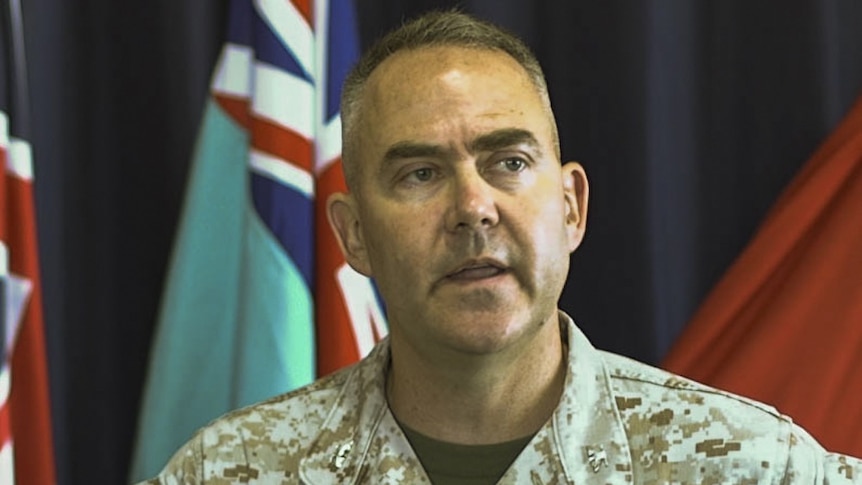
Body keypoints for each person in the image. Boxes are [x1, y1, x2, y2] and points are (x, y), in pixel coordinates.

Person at [140, 10, 862, 484]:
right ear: (353, 234)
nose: (472, 207)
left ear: (572, 206)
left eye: (508, 161)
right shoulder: (229, 471)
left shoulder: (751, 465)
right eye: (420, 173)